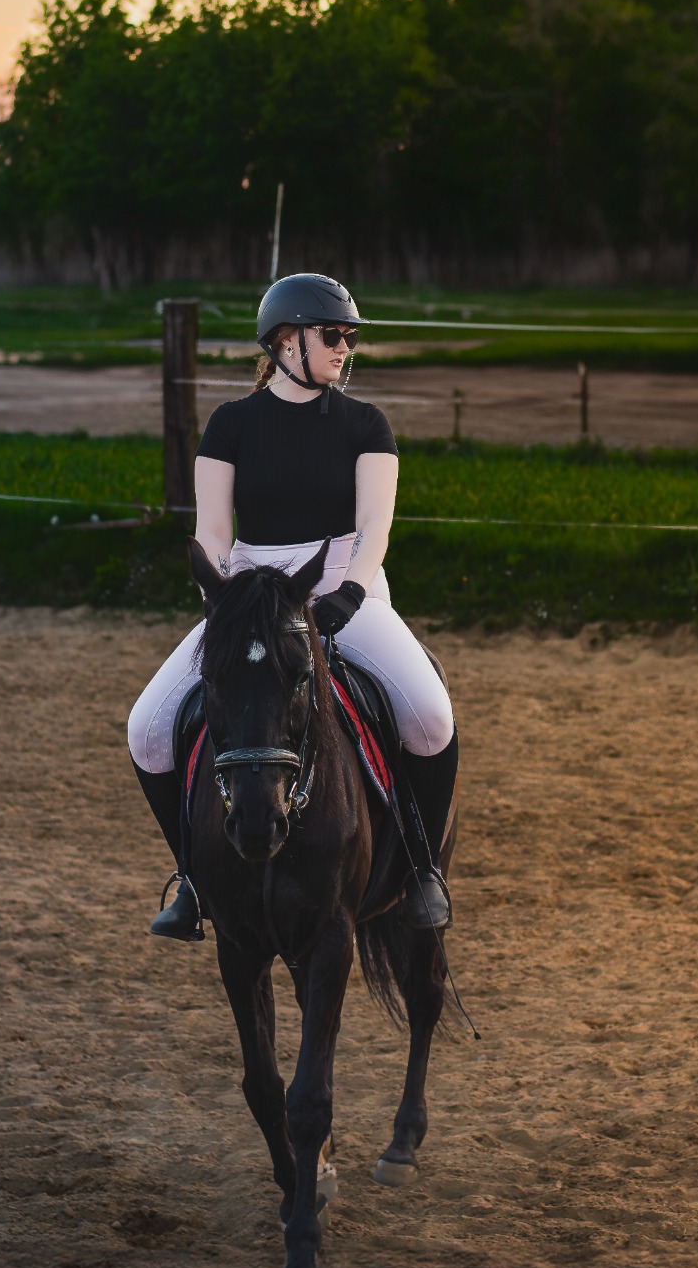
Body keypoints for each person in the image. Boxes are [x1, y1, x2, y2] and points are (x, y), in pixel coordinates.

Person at [128, 272, 457, 939]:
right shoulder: (231, 424)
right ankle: (192, 881)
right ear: (285, 340)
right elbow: (213, 531)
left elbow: (375, 527)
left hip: (341, 584)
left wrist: (351, 592)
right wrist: (220, 598)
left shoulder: (366, 424)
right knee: (147, 729)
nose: (344, 348)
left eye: (349, 338)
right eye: (332, 335)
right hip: (249, 591)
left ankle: (423, 872)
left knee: (430, 715)